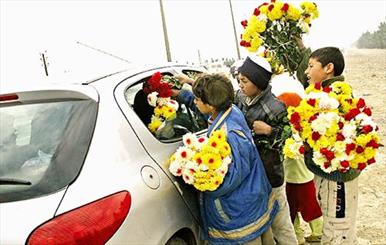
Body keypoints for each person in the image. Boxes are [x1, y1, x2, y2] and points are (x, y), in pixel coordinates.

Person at [175, 73, 278, 244]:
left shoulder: (229, 134)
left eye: (197, 99)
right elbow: (204, 114)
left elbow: (231, 178)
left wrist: (200, 179)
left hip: (240, 207)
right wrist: (179, 94)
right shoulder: (231, 111)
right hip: (251, 198)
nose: (194, 102)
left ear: (211, 105)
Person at [235, 56, 298, 245]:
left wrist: (270, 131)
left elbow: (290, 138)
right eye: (239, 80)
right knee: (260, 223)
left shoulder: (275, 107)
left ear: (259, 82)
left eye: (244, 81)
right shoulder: (239, 97)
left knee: (280, 222)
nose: (240, 84)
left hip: (271, 175)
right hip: (249, 175)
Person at [303, 47, 360, 245]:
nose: (306, 72)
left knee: (337, 233)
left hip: (337, 180)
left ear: (328, 68)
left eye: (311, 66)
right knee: (338, 228)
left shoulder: (333, 99)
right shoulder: (325, 93)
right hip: (331, 177)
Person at [277, 92, 323, 245]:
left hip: (298, 177)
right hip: (298, 177)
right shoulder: (303, 128)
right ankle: (305, 235)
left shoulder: (295, 131)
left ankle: (308, 234)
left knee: (303, 208)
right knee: (302, 207)